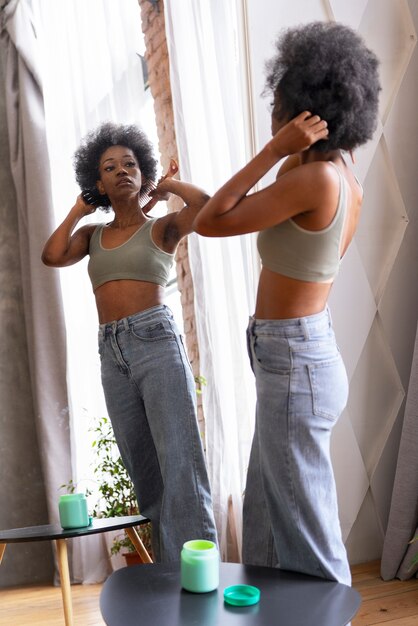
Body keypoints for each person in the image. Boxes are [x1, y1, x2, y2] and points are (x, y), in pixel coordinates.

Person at [193, 21, 380, 585]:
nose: (271, 112)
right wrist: (280, 155)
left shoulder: (318, 178)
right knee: (267, 518)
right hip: (292, 356)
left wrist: (275, 148)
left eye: (279, 103)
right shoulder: (328, 172)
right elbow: (228, 208)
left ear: (306, 110)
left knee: (307, 533)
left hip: (295, 360)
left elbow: (213, 222)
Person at [42, 121, 218, 562]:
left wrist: (171, 186)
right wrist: (76, 211)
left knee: (180, 461)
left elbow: (208, 208)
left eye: (130, 164)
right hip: (111, 351)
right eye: (109, 167)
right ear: (96, 182)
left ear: (144, 174)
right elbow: (51, 254)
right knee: (144, 469)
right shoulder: (91, 236)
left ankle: (200, 575)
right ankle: (169, 573)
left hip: (154, 342)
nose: (122, 170)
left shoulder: (162, 227)